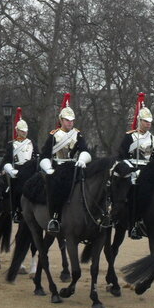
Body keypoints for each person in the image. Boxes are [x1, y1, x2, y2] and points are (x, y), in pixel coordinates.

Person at [118, 93, 154, 239]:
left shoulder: (152, 138)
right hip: (132, 171)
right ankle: (134, 224)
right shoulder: (130, 137)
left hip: (148, 171)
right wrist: (130, 170)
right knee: (134, 192)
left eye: (150, 122)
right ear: (139, 121)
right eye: (146, 121)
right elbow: (121, 156)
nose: (148, 124)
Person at [39, 93, 91, 233]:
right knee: (55, 188)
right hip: (58, 168)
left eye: (72, 120)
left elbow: (85, 150)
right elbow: (45, 155)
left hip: (74, 166)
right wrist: (48, 169)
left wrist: (82, 159)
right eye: (67, 120)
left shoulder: (78, 134)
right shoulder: (54, 135)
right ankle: (55, 217)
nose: (70, 123)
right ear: (61, 120)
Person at [2, 108, 37, 223]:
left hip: (30, 169)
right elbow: (6, 160)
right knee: (16, 189)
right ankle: (17, 210)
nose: (24, 133)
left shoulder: (31, 143)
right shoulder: (12, 145)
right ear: (17, 131)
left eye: (25, 131)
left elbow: (37, 156)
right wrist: (10, 170)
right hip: (17, 170)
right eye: (22, 131)